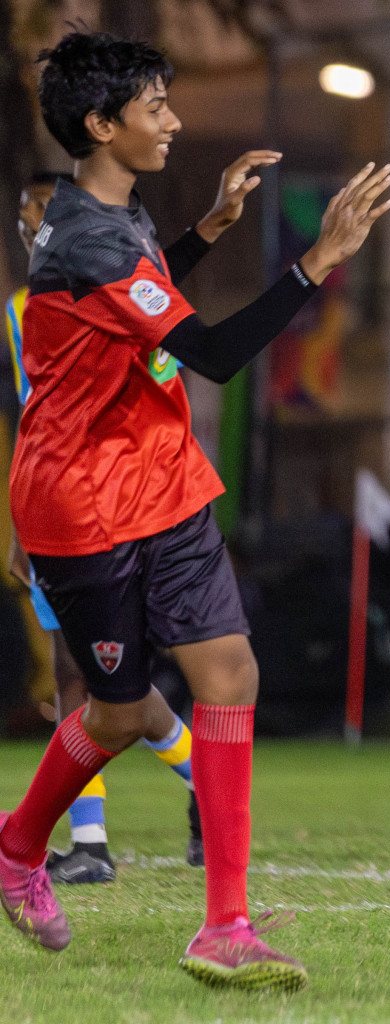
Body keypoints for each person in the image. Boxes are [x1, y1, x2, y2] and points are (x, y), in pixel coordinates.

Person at [0, 31, 390, 991]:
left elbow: (144, 300)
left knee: (230, 672)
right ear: (102, 124)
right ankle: (15, 847)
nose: (174, 120)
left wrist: (212, 226)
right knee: (122, 714)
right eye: (156, 106)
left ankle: (226, 926)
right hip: (82, 504)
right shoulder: (85, 235)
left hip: (162, 480)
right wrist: (316, 263)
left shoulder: (109, 208)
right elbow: (208, 353)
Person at [7, 172, 203, 885]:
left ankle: (202, 784)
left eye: (41, 214)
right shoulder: (22, 308)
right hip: (61, 502)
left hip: (124, 499)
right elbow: (36, 409)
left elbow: (167, 363)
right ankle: (89, 841)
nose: (36, 228)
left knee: (121, 683)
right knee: (79, 675)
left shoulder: (120, 283)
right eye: (29, 219)